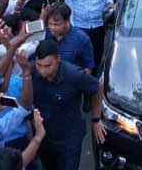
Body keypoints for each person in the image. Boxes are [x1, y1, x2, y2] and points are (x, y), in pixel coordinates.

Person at [30, 39, 104, 170]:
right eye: (39, 65)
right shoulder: (31, 72)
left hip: (69, 140)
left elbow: (97, 88)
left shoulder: (74, 75)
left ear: (58, 59)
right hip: (45, 138)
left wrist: (96, 118)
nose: (42, 71)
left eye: (48, 66)